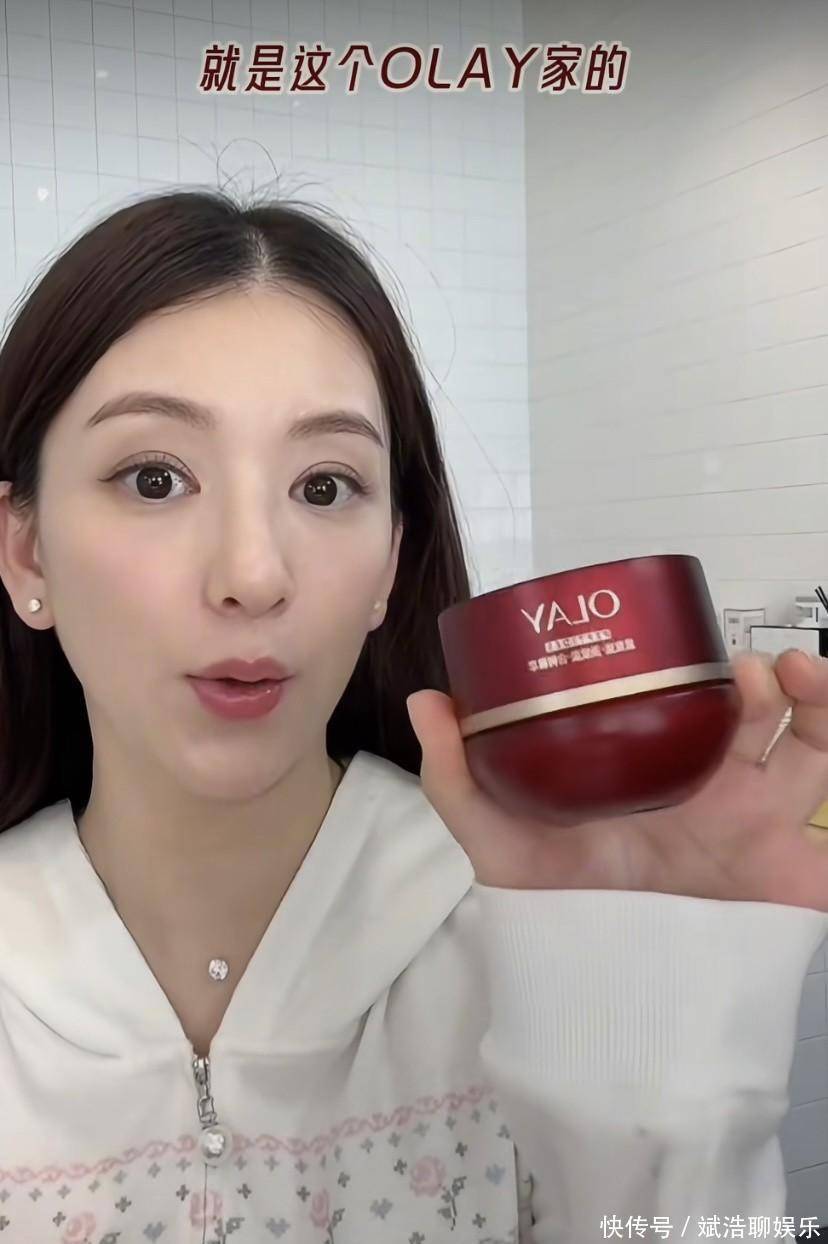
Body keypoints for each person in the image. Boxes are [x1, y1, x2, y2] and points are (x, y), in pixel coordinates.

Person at [0, 188, 826, 1244]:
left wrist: (680, 1099)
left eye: (325, 486)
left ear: (390, 562)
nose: (254, 574)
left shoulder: (529, 932)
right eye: (155, 477)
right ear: (26, 552)